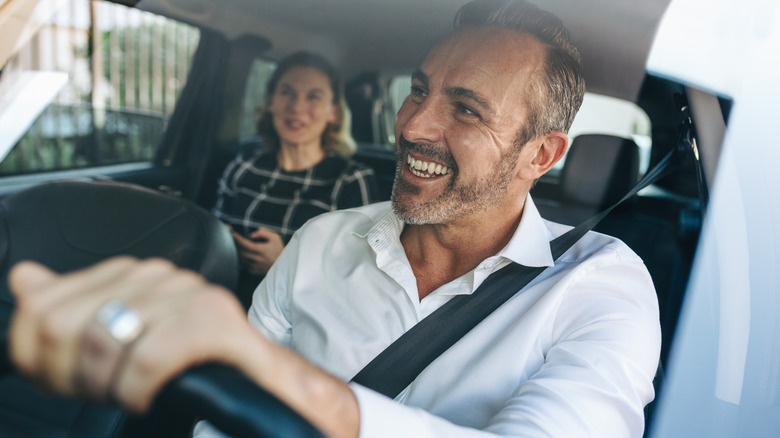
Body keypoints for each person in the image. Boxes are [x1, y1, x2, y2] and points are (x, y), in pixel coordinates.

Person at [7, 1, 661, 437]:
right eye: (418, 90)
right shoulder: (322, 242)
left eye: (465, 109)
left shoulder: (600, 286)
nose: (412, 125)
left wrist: (301, 393)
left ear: (540, 155)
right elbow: (215, 422)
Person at [212, 51, 377, 306]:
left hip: (297, 316)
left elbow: (358, 279)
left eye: (313, 96)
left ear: (333, 112)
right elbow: (214, 230)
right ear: (271, 103)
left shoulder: (352, 180)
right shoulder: (245, 164)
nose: (297, 107)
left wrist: (284, 264)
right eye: (287, 92)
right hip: (223, 301)